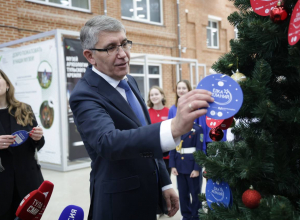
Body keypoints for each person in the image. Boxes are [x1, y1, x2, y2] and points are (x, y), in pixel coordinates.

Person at [69, 15, 213, 220]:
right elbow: (108, 141)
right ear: (90, 56)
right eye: (111, 47)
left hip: (148, 195)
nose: (123, 55)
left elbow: (143, 133)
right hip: (119, 204)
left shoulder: (130, 82)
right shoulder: (84, 95)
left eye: (124, 44)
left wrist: (164, 182)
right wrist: (172, 127)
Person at [0, 70, 45, 220]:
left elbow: (37, 145)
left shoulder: (24, 109)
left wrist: (38, 137)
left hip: (28, 181)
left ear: (7, 84)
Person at [168, 80, 203, 220]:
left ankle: (196, 216)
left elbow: (199, 149)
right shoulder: (175, 127)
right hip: (180, 165)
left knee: (195, 193)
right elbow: (172, 144)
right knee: (182, 194)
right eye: (179, 88)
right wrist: (172, 165)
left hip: (192, 164)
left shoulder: (197, 129)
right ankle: (186, 216)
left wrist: (197, 168)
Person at [147, 86, 171, 175]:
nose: (154, 96)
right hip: (152, 153)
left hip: (167, 153)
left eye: (156, 94)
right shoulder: (146, 113)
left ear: (162, 96)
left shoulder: (169, 112)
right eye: (151, 95)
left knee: (167, 181)